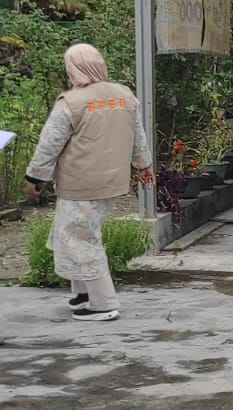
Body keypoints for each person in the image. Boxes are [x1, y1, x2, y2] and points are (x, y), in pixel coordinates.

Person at [24, 43, 154, 322]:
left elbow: (50, 144)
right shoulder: (124, 95)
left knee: (80, 239)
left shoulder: (71, 102)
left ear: (74, 68)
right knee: (72, 233)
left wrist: (36, 177)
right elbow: (138, 135)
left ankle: (103, 303)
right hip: (112, 182)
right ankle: (83, 293)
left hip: (81, 184)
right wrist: (144, 165)